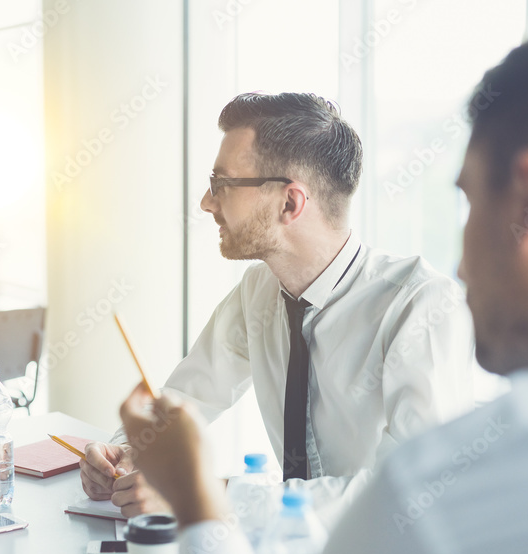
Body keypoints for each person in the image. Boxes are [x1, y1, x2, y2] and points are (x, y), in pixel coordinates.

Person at [119, 4, 528, 554]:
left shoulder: (439, 491)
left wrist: (204, 500)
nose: (461, 268)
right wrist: (134, 456)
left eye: (467, 202)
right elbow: (183, 403)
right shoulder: (258, 296)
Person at [83, 92, 478, 520]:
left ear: (290, 203)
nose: (206, 203)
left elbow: (411, 489)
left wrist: (201, 494)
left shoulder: (420, 305)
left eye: (222, 184)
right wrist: (124, 452)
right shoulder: (259, 290)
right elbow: (189, 394)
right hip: (287, 548)